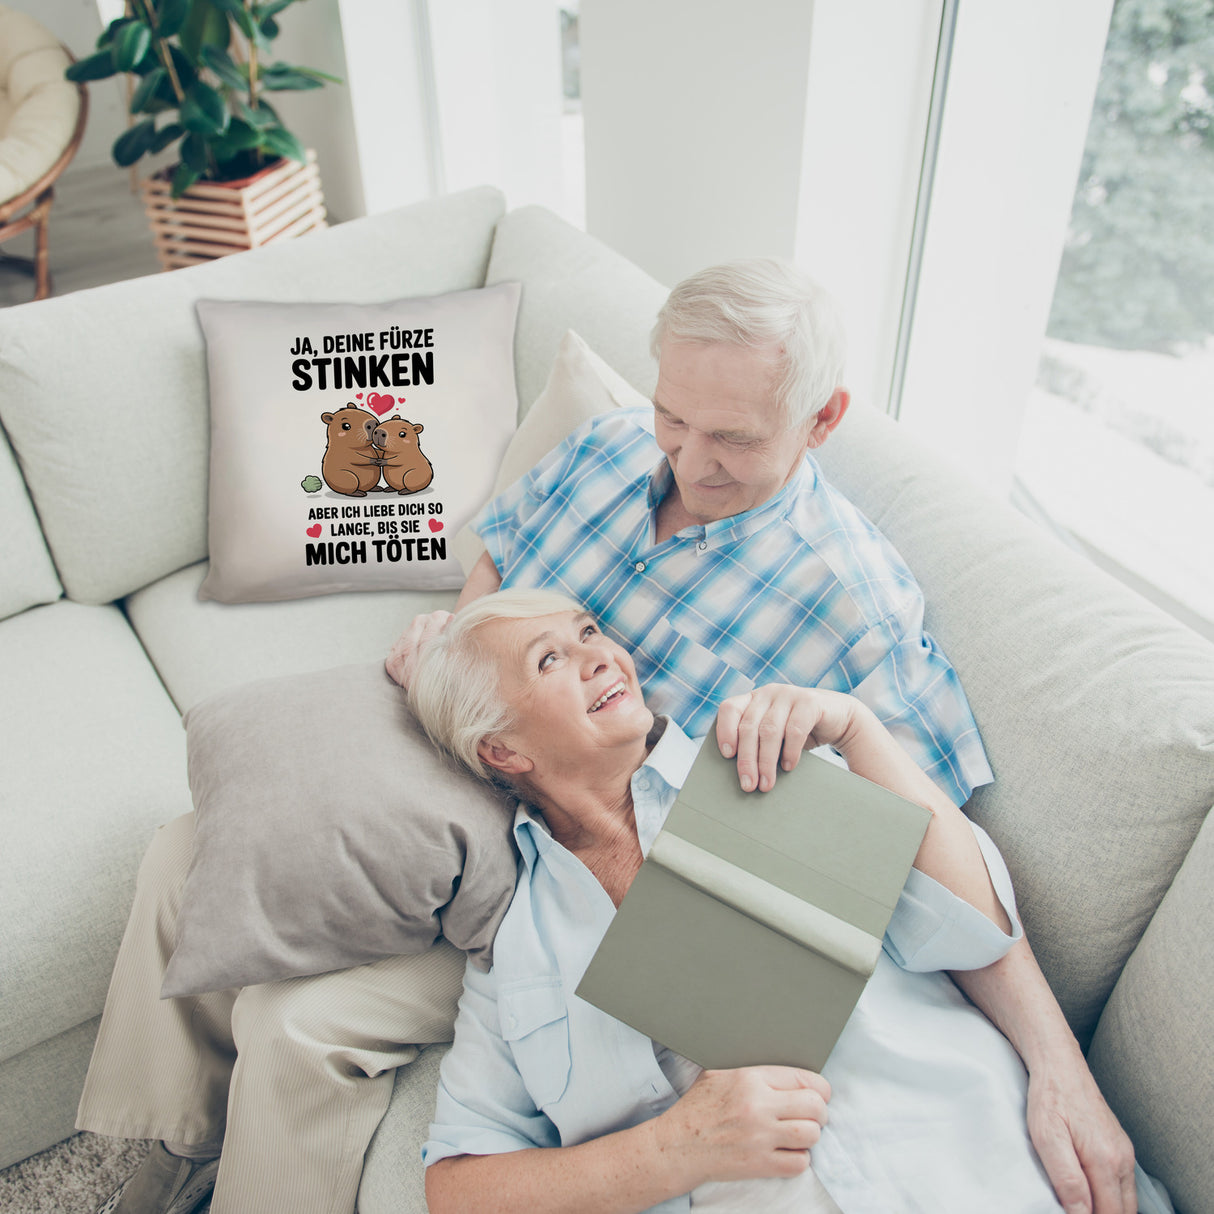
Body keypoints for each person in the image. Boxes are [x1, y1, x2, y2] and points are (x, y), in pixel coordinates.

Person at [389, 259, 1136, 1213]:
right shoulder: (608, 450)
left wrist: (1058, 1069)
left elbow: (945, 887)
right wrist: (462, 658)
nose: (689, 462)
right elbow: (502, 548)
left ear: (822, 420)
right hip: (493, 835)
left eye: (732, 438)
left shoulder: (828, 665)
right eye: (674, 418)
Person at [407, 588, 1160, 1214]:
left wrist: (859, 731)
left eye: (589, 632)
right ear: (502, 750)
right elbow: (458, 1188)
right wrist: (674, 1149)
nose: (601, 655)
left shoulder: (762, 762)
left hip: (985, 1167)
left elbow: (972, 929)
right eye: (550, 659)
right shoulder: (516, 952)